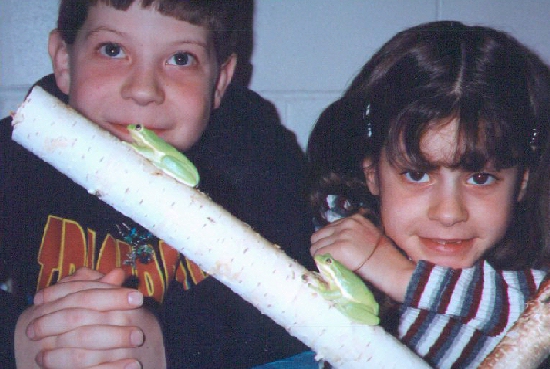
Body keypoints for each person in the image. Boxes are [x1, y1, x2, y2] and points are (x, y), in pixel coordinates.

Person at [0, 1, 314, 368]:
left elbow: (299, 297)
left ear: (221, 80)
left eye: (181, 59)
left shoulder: (257, 153)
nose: (144, 90)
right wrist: (21, 340)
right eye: (112, 50)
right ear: (65, 62)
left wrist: (165, 343)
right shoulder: (19, 152)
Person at [307, 21, 550, 368]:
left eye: (480, 178)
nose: (449, 213)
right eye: (417, 175)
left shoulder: (522, 285)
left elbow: (540, 311)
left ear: (522, 183)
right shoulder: (343, 231)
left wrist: (402, 278)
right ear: (372, 174)